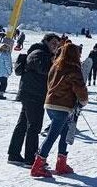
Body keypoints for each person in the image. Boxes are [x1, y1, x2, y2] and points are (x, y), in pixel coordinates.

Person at [31, 43, 89, 177]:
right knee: (52, 135)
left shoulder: (56, 65)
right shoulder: (74, 68)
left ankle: (61, 163)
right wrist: (83, 100)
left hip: (50, 104)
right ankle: (38, 165)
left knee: (64, 132)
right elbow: (79, 87)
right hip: (62, 106)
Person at [8, 33, 60, 167]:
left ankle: (14, 155)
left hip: (32, 94)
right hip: (33, 95)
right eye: (54, 42)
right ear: (46, 41)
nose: (56, 46)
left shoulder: (42, 53)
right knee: (34, 126)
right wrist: (54, 63)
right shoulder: (38, 52)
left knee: (24, 124)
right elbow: (43, 69)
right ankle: (30, 158)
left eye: (57, 44)